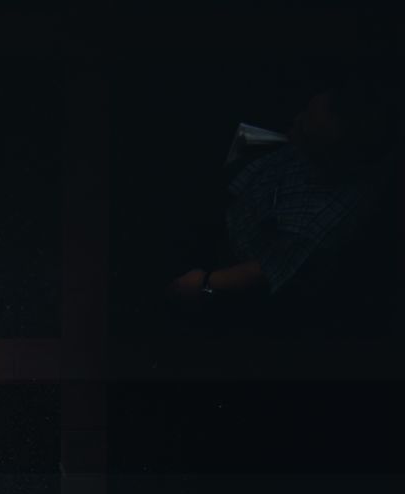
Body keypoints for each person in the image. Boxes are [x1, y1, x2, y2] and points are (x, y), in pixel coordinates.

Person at [169, 76, 398, 325]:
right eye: (305, 112)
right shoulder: (319, 146)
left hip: (237, 259)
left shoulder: (315, 220)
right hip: (241, 207)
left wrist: (205, 283)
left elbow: (265, 269)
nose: (296, 120)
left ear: (329, 158)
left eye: (306, 127)